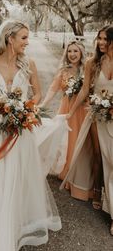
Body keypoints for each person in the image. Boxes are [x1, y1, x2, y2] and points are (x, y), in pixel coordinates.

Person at [0, 20, 69, 250]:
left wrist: (24, 109)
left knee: (18, 175)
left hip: (20, 132)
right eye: (24, 38)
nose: (27, 42)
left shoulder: (29, 63)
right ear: (10, 39)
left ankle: (15, 222)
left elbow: (37, 93)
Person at [64, 25, 113, 234]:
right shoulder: (93, 63)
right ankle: (100, 195)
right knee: (101, 157)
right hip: (98, 117)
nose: (101, 42)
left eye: (105, 39)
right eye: (99, 39)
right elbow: (85, 89)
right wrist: (70, 112)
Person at [40, 41, 95, 201]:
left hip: (82, 111)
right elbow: (53, 88)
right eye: (69, 51)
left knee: (82, 142)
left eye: (75, 51)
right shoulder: (63, 71)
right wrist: (43, 104)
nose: (72, 54)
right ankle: (67, 172)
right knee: (68, 141)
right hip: (66, 110)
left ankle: (79, 177)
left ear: (81, 53)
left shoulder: (87, 69)